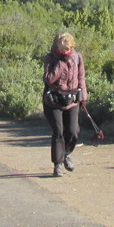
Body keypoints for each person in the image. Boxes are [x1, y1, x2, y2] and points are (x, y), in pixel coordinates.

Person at [42, 32, 87, 177]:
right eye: (61, 49)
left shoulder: (77, 57)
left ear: (71, 46)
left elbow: (81, 77)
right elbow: (48, 79)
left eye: (66, 49)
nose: (64, 52)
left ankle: (66, 153)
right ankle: (58, 164)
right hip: (54, 100)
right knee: (58, 132)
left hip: (72, 99)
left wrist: (83, 97)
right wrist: (60, 63)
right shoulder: (50, 58)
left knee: (73, 130)